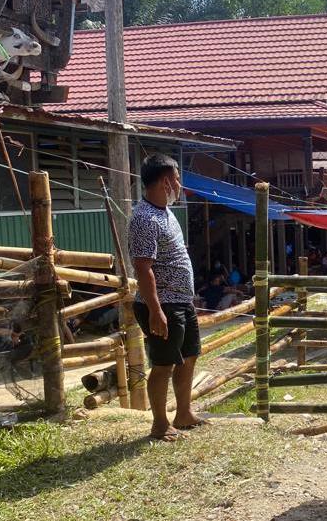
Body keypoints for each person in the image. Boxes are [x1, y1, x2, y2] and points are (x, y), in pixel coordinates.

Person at [129, 153, 206, 441]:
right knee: (163, 364)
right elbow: (143, 268)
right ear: (165, 181)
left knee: (189, 356)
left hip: (181, 301)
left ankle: (183, 413)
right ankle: (159, 424)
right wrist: (155, 310)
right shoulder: (144, 218)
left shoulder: (166, 212)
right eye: (176, 178)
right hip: (162, 304)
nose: (179, 184)